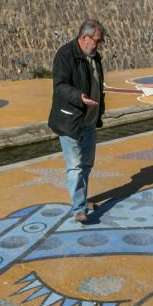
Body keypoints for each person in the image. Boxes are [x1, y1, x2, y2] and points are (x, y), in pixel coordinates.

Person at [48, 19, 106, 223]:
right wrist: (79, 97)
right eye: (98, 41)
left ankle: (81, 198)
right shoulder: (65, 55)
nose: (99, 45)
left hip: (89, 121)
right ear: (84, 37)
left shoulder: (94, 57)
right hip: (70, 121)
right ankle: (79, 209)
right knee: (75, 166)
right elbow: (60, 85)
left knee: (87, 164)